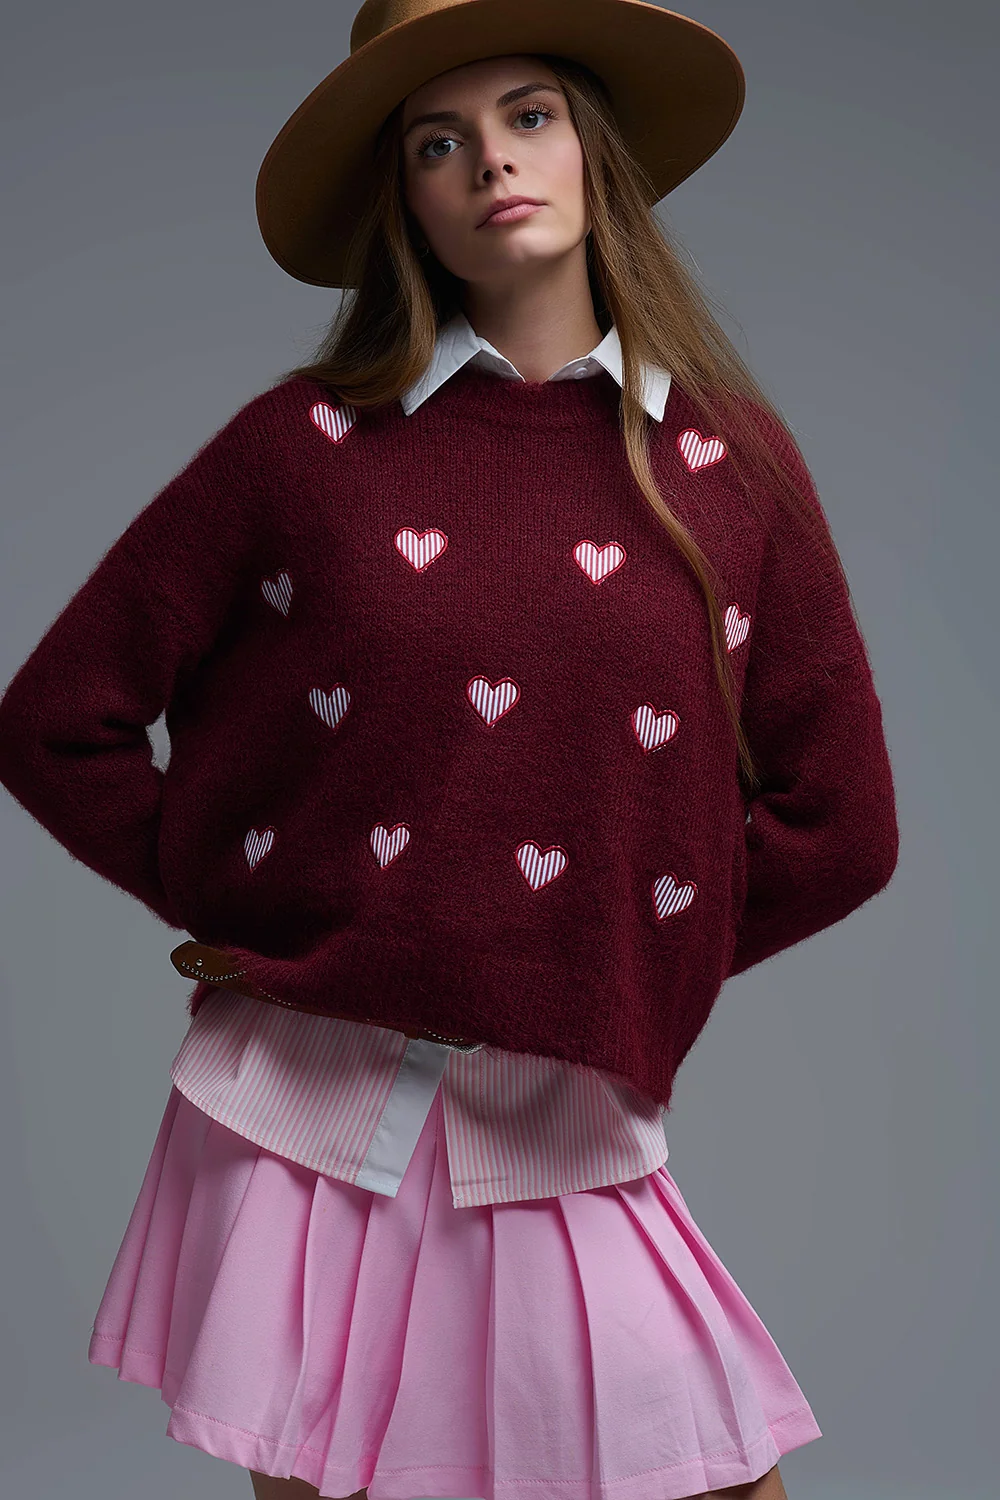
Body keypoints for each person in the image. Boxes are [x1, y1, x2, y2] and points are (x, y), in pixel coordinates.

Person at [0, 3, 900, 1499]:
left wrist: (611, 951)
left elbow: (844, 825)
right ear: (403, 199)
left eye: (529, 116)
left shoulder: (731, 467)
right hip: (299, 1091)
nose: (492, 162)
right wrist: (256, 901)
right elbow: (56, 719)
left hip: (559, 1103)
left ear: (594, 147)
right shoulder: (301, 449)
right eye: (439, 141)